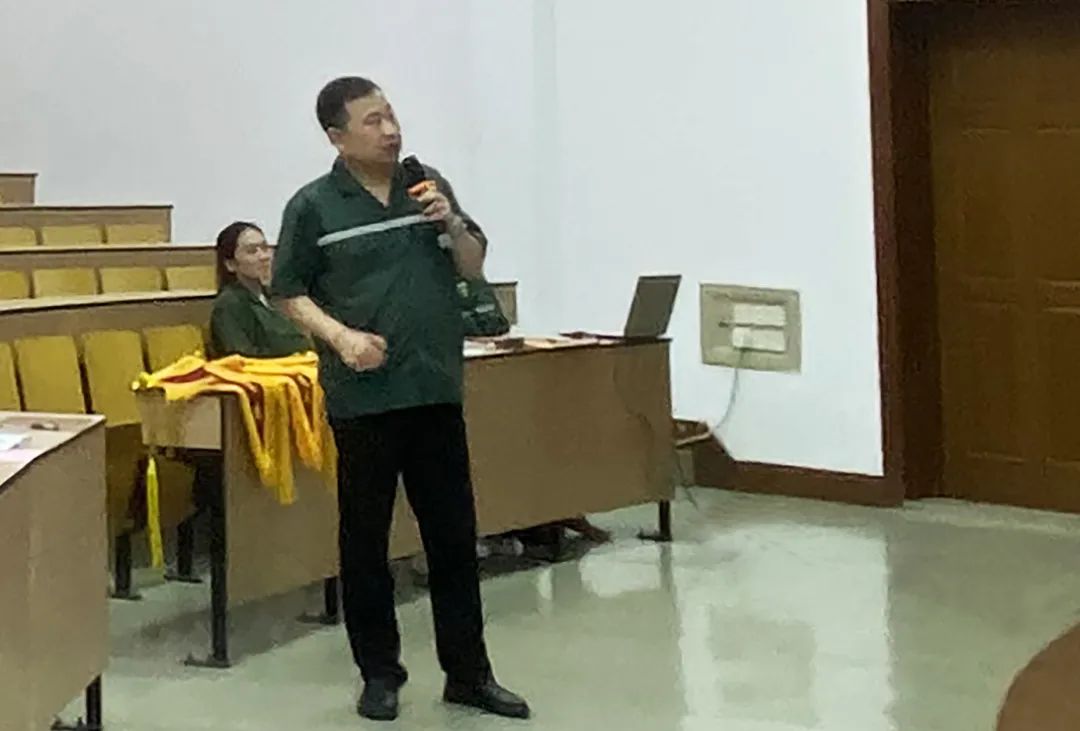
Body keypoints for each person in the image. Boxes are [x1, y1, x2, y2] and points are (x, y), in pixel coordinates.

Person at [270, 76, 529, 722]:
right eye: (373, 121)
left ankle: (469, 672)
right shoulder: (313, 207)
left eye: (391, 116)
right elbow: (288, 292)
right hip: (363, 398)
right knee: (366, 543)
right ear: (337, 137)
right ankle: (379, 673)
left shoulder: (426, 184)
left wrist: (451, 220)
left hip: (434, 387)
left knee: (453, 538)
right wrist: (341, 337)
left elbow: (471, 263)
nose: (391, 130)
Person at [209, 221, 311, 358]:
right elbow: (240, 358)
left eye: (265, 248)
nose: (264, 257)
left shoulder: (273, 296)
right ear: (231, 264)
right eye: (252, 251)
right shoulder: (228, 304)